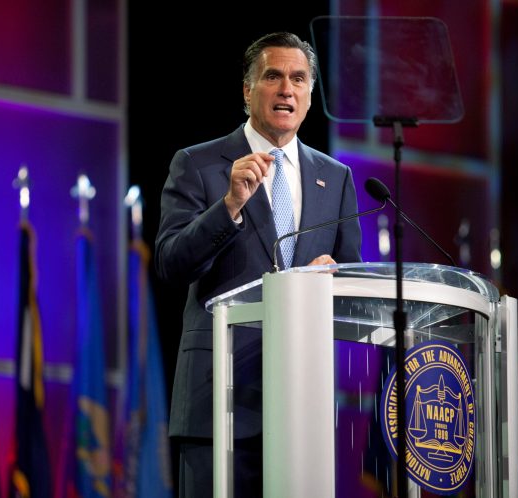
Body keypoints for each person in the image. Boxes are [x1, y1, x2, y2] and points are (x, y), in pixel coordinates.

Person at [154, 31, 363, 496]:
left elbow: (352, 294)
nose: (286, 88)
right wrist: (228, 205)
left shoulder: (337, 177)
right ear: (247, 90)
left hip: (301, 408)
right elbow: (170, 264)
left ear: (310, 96)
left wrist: (333, 283)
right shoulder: (198, 164)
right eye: (273, 76)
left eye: (299, 78)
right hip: (218, 401)